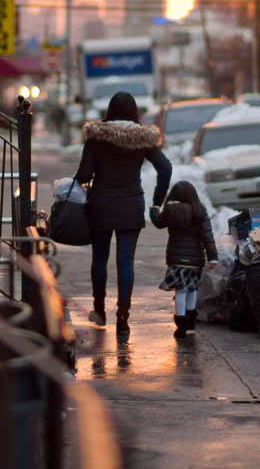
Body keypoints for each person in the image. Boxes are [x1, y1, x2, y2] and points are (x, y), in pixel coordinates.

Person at [75, 91, 172, 336]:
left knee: (99, 259)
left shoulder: (96, 138)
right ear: (134, 112)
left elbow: (85, 176)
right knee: (125, 261)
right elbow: (165, 167)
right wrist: (157, 200)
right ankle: (123, 316)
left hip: (101, 205)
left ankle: (99, 312)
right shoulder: (142, 139)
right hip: (131, 204)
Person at [149, 180, 218, 338]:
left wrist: (154, 210)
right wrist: (212, 257)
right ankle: (191, 323)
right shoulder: (200, 210)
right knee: (192, 289)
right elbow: (207, 236)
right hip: (195, 260)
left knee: (180, 291)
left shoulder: (170, 210)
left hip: (177, 258)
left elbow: (158, 223)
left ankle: (180, 326)